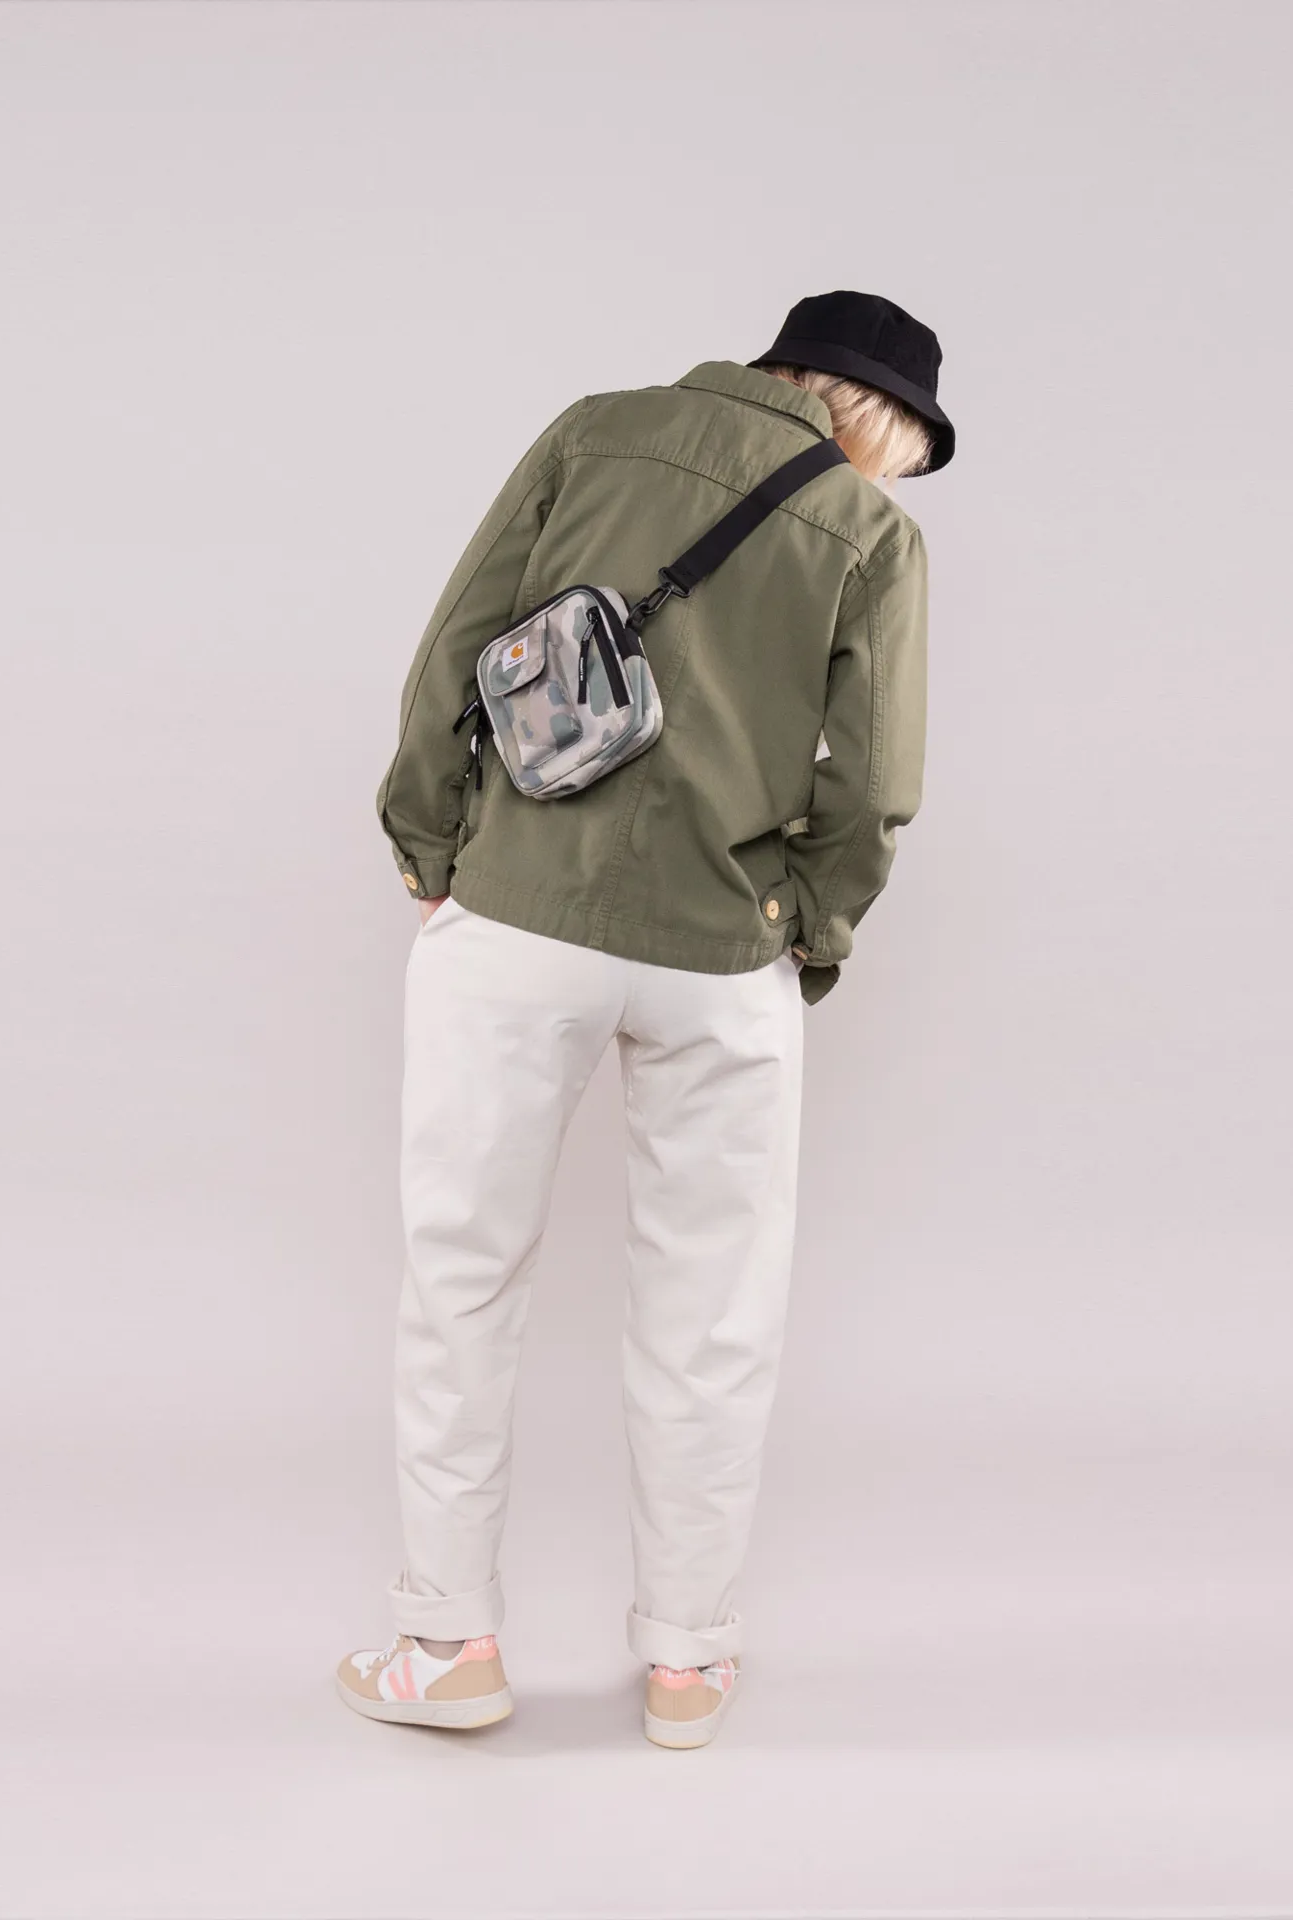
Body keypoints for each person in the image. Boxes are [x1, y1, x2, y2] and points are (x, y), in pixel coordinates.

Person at [337, 291, 954, 1749]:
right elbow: (872, 787)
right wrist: (804, 931)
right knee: (711, 1313)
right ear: (877, 416)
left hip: (514, 916)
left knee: (461, 1280)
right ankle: (687, 1661)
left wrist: (430, 844)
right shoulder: (868, 533)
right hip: (721, 951)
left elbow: (457, 648)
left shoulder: (596, 432)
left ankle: (447, 1645)